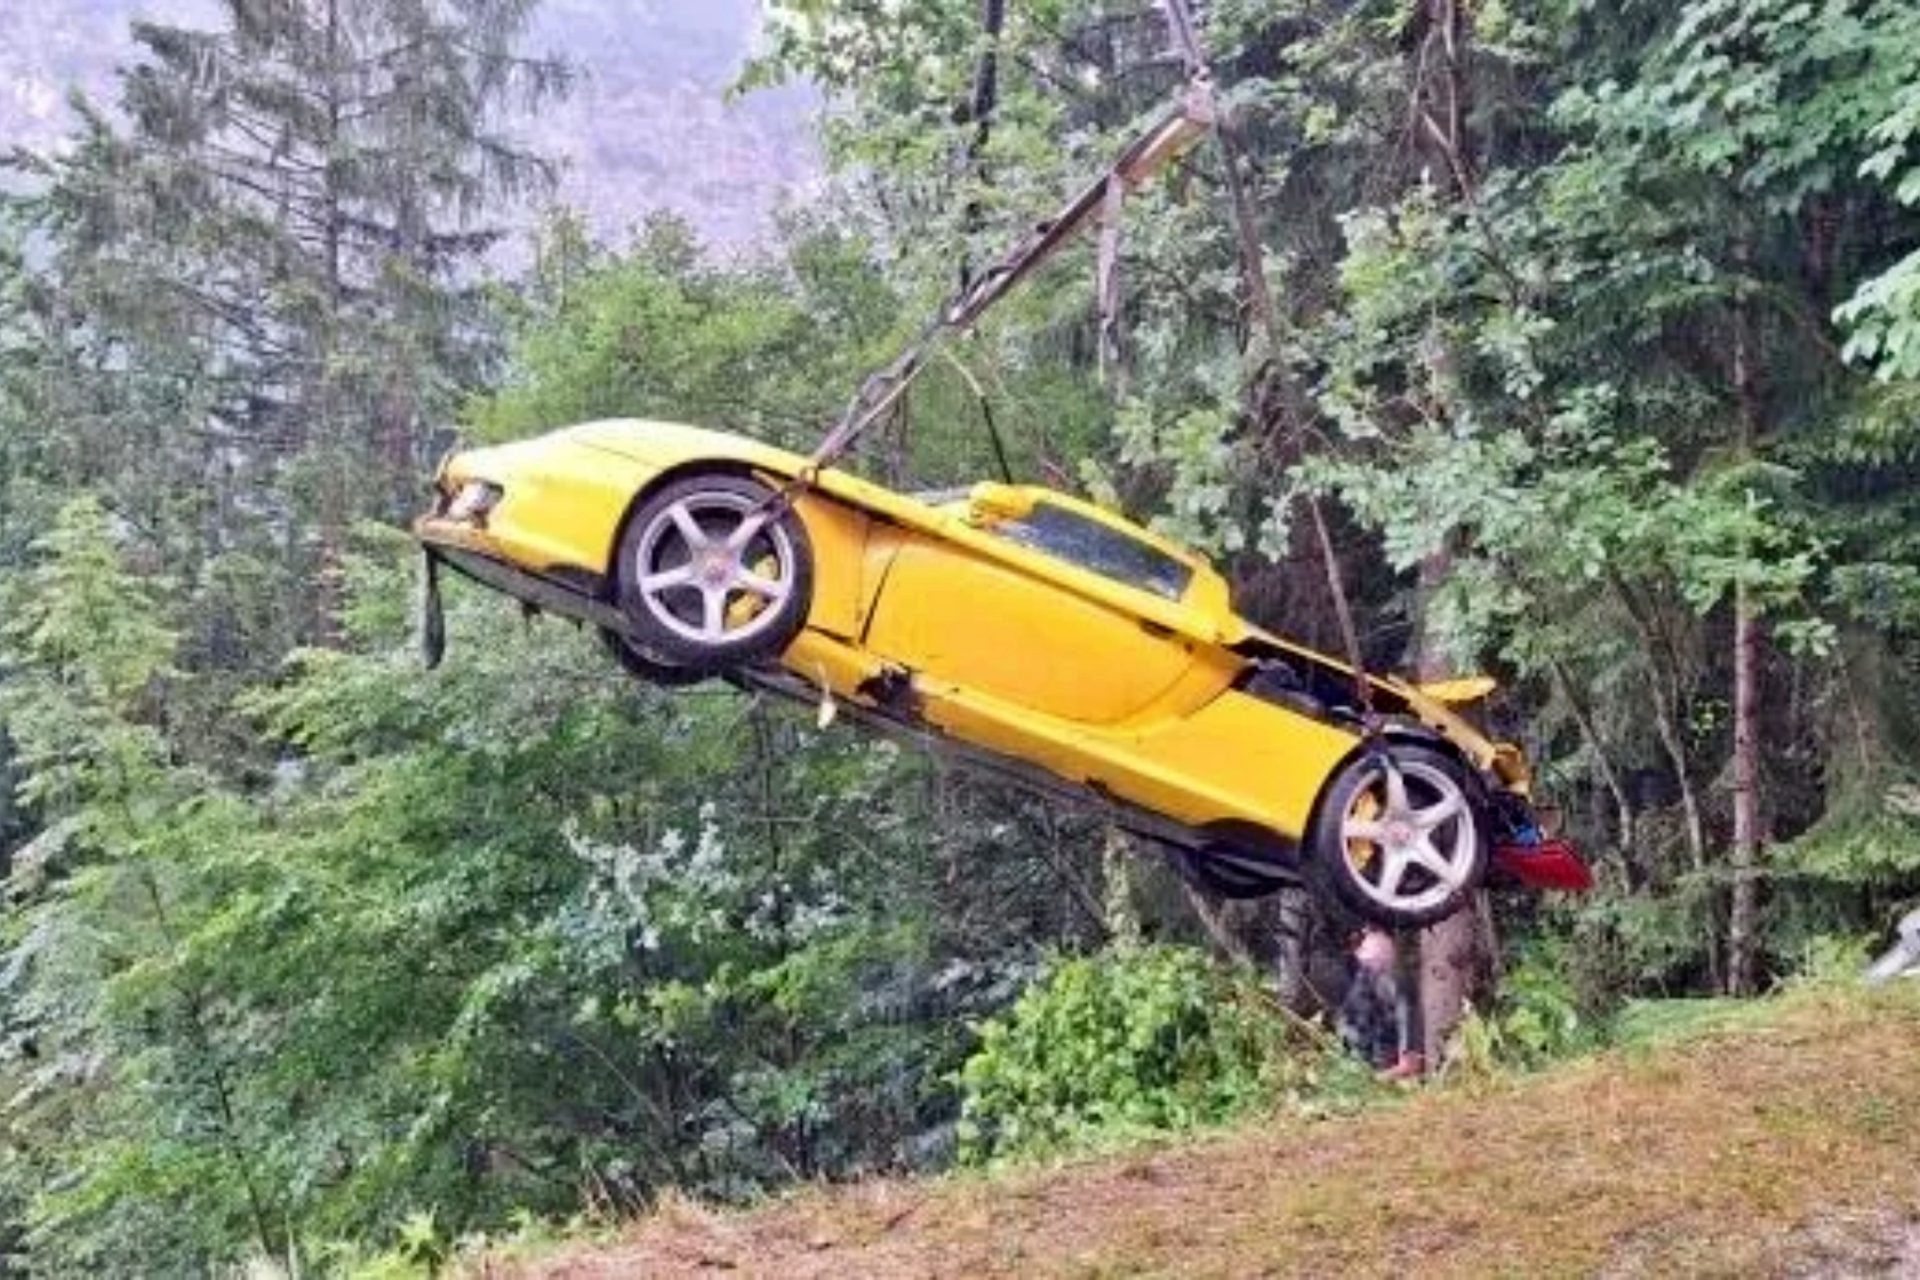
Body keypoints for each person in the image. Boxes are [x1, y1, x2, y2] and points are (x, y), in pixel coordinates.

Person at [1337, 926, 1424, 1081]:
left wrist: (1372, 1081)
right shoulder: (1356, 988)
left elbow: (1410, 1065)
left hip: (1385, 1082)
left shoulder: (1400, 992)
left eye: (1371, 964)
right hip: (1353, 1074)